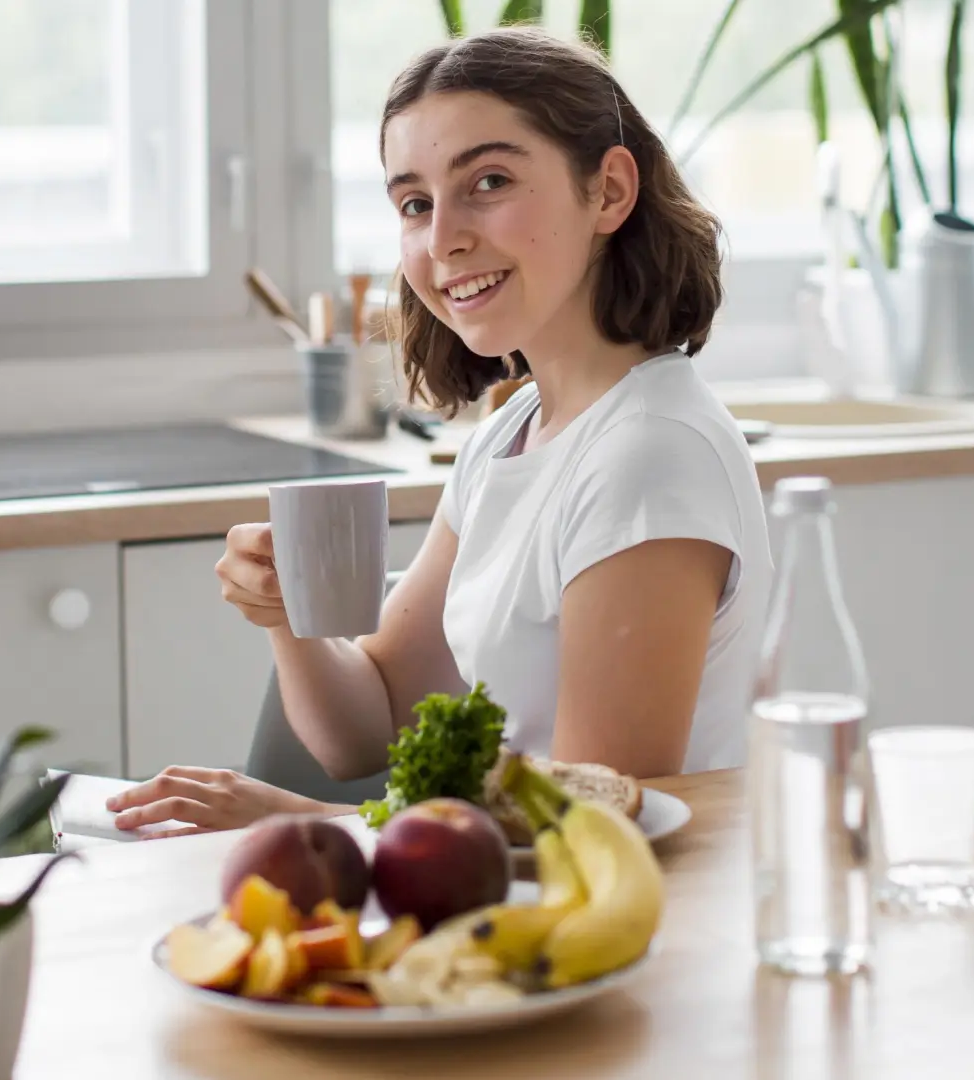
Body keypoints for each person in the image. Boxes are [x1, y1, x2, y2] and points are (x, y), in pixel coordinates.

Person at [108, 27, 771, 836]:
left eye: (489, 181)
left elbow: (597, 824)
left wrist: (308, 823)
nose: (443, 238)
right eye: (414, 204)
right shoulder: (513, 436)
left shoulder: (651, 455)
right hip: (511, 908)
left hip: (631, 934)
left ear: (609, 191)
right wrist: (289, 613)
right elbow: (370, 723)